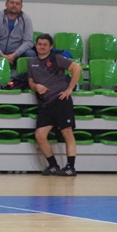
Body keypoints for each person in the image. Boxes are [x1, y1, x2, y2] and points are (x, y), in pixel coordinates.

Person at [29, 33, 82, 176]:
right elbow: (31, 82)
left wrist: (70, 89)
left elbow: (77, 68)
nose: (42, 47)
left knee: (67, 132)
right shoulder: (32, 62)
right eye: (39, 44)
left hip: (60, 100)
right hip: (45, 103)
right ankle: (53, 165)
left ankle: (70, 167)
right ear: (36, 46)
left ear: (50, 47)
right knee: (40, 135)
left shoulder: (56, 58)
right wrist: (36, 87)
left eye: (45, 45)